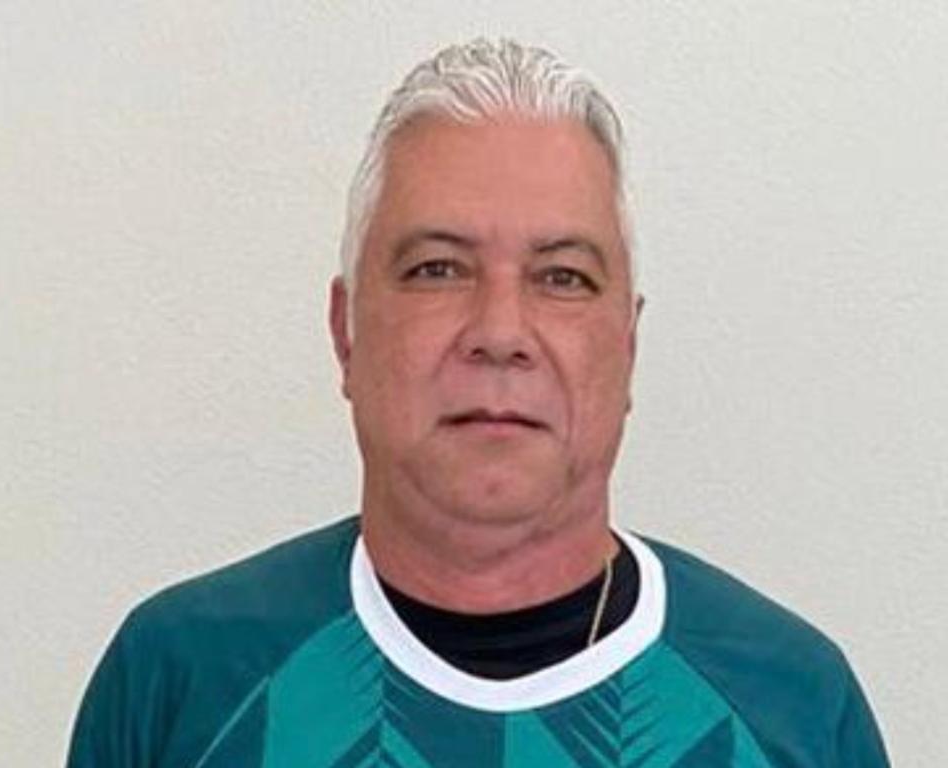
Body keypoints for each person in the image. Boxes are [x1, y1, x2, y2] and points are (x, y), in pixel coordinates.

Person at [67, 39, 889, 767]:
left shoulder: (794, 706)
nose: (500, 332)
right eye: (437, 269)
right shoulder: (179, 682)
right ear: (346, 330)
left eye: (562, 277)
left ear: (628, 344)